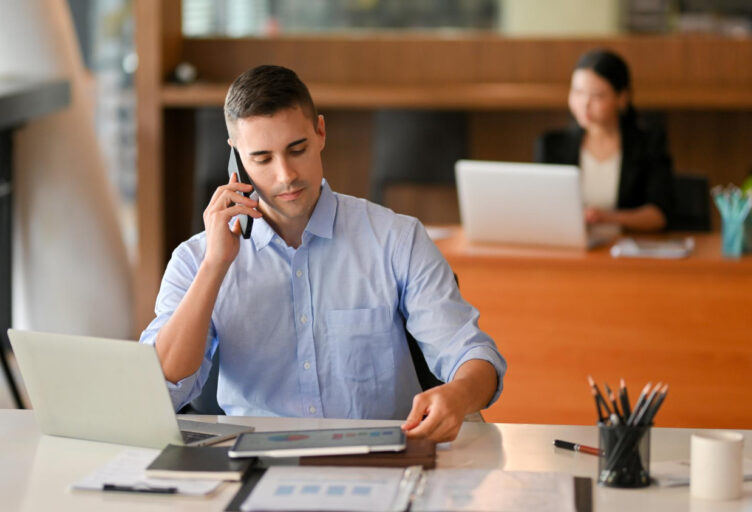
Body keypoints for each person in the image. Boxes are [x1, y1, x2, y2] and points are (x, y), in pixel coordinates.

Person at [139, 65, 506, 443]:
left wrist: (458, 395)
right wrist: (214, 266)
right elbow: (161, 390)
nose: (285, 175)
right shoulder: (196, 258)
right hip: (257, 461)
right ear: (236, 158)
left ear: (320, 133)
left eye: (296, 149)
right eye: (262, 158)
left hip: (379, 460)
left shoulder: (397, 239)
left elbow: (475, 355)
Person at [535, 49, 674, 232]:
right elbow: (542, 209)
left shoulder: (648, 144)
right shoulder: (551, 144)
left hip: (625, 244)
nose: (585, 103)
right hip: (569, 243)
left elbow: (659, 215)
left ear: (622, 98)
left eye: (597, 95)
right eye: (578, 92)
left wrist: (607, 218)